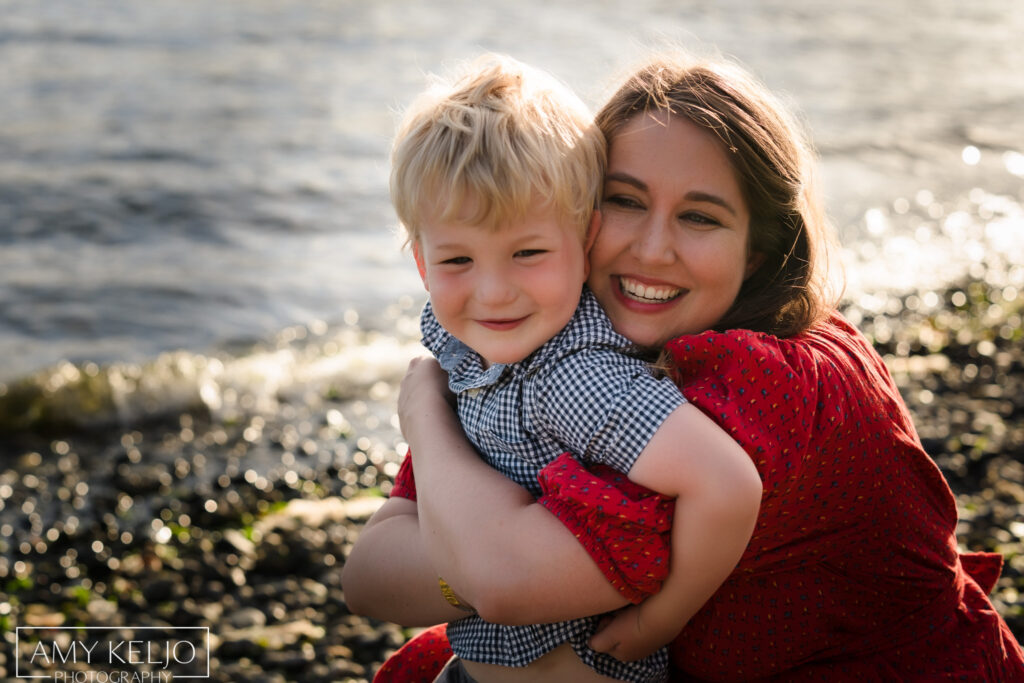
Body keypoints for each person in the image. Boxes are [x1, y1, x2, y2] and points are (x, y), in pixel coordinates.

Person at [346, 51, 1024, 681]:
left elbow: (505, 579)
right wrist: (466, 538)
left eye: (699, 218)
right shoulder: (549, 344)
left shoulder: (758, 384)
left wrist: (424, 415)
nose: (651, 248)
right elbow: (369, 575)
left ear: (757, 252)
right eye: (626, 200)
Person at [341, 53, 762, 683]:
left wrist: (662, 621)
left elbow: (727, 485)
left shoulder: (576, 378)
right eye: (457, 261)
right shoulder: (469, 357)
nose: (494, 292)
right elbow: (366, 578)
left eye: (528, 253)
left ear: (585, 238)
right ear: (422, 264)